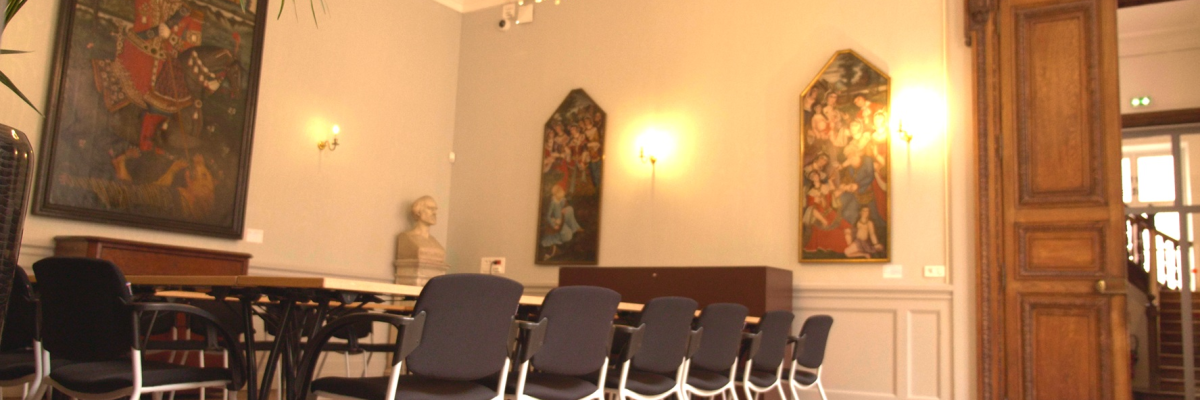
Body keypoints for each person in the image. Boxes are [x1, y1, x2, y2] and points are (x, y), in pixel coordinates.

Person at [541, 184, 582, 260]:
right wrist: (554, 225)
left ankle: (575, 228)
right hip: (557, 223)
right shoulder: (553, 203)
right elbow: (548, 216)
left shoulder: (561, 200)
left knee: (570, 209)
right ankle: (555, 242)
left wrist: (563, 210)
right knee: (568, 236)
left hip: (561, 219)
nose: (563, 193)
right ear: (557, 194)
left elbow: (564, 203)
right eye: (561, 192)